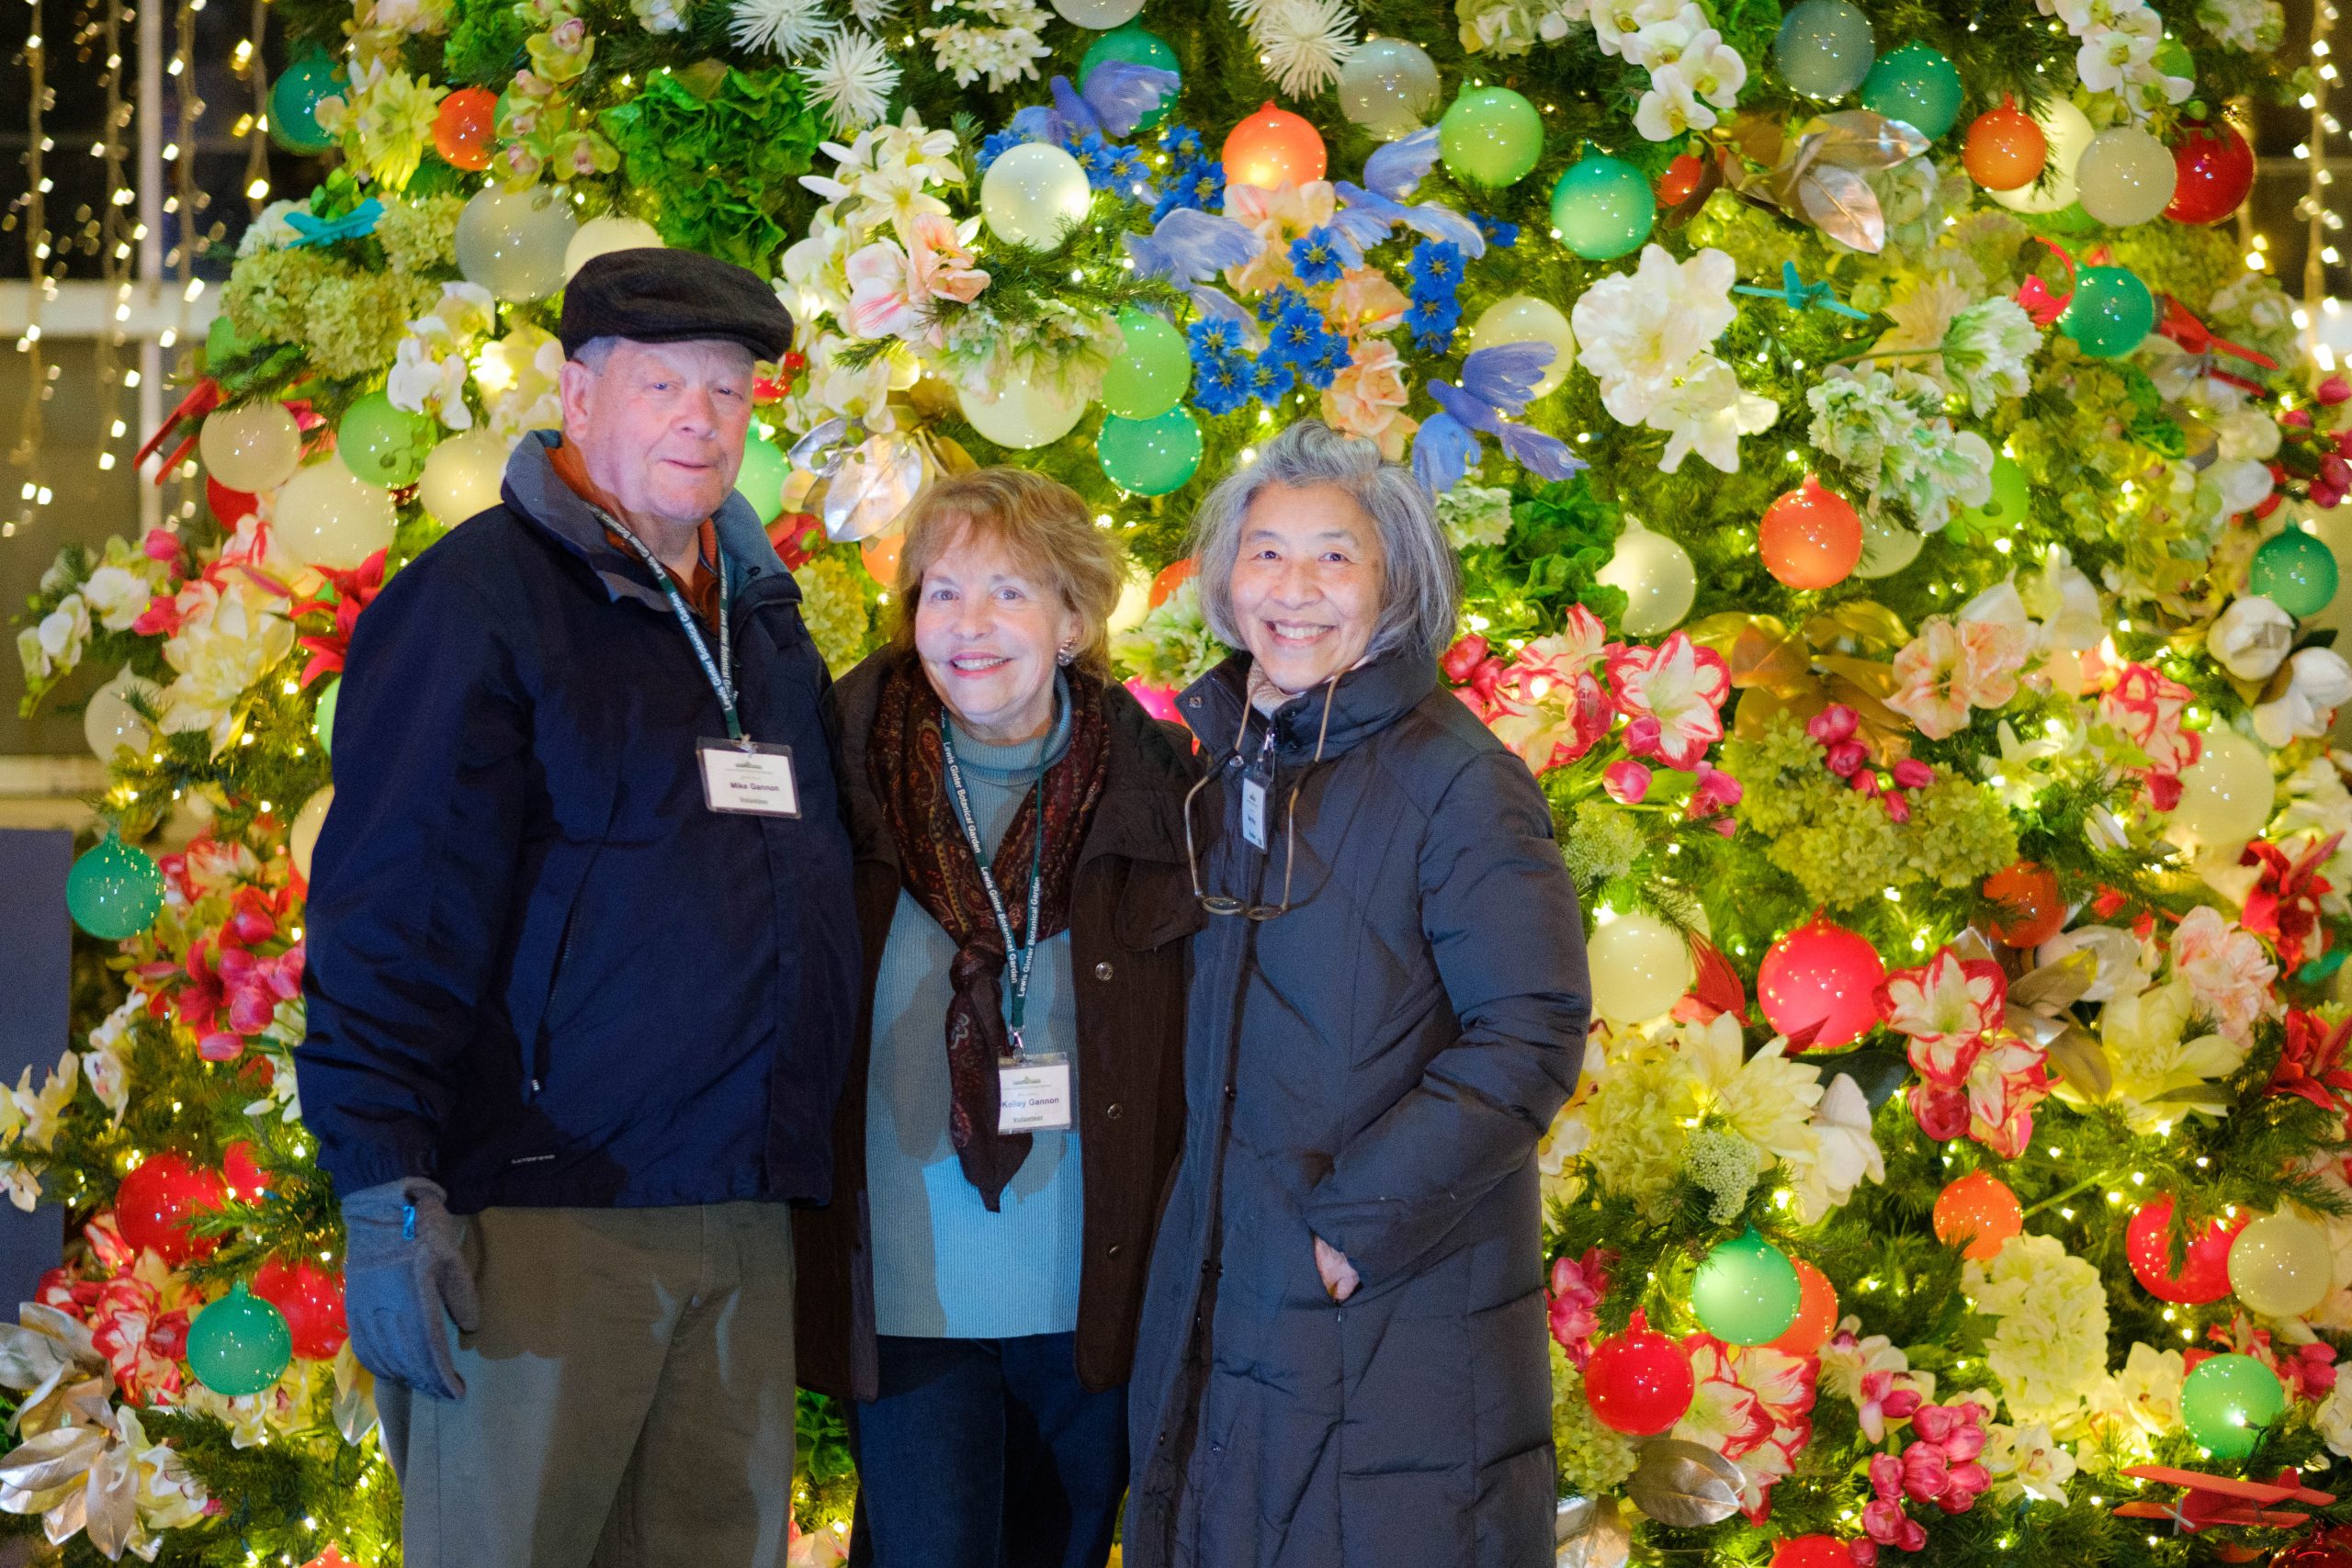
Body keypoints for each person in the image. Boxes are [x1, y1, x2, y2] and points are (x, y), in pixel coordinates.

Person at [297, 248, 859, 1568]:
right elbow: (392, 911)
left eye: (728, 392)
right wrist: (384, 1186)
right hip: (546, 1213)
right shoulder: (475, 603)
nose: (700, 420)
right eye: (662, 385)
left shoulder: (762, 618)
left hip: (738, 1211)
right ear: (578, 393)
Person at [1123, 419, 1591, 1568]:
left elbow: (1530, 1031)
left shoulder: (1458, 781)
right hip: (1240, 1271)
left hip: (1382, 1292)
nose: (1294, 590)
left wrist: (1355, 1226)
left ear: (1395, 584)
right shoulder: (1238, 758)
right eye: (1266, 553)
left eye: (1334, 557)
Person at [796, 468, 1201, 1568]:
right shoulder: (835, 773)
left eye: (1008, 593)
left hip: (1092, 1294)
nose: (968, 625)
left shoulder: (1163, 791)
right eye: (942, 592)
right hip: (906, 1296)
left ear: (1074, 621)